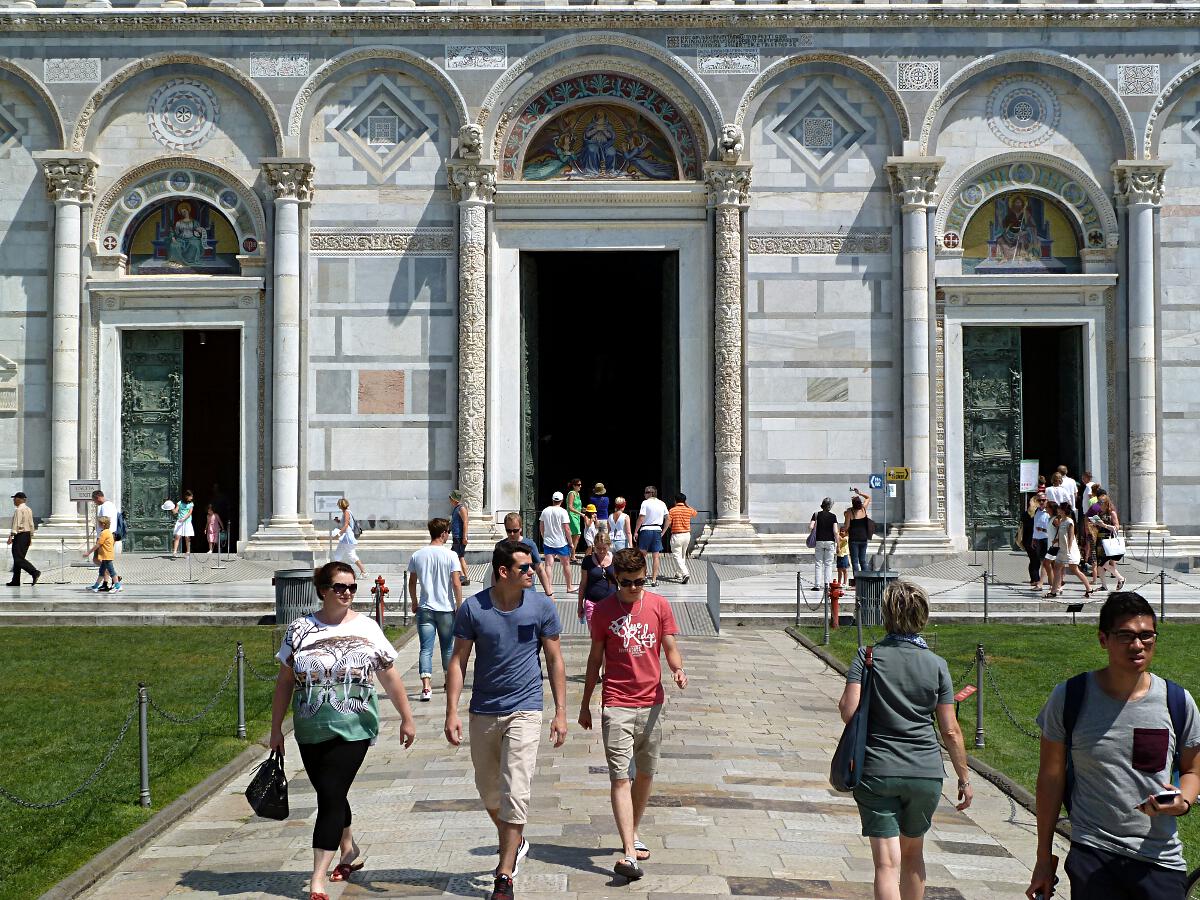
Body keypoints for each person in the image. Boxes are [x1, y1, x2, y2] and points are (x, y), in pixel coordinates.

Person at [1027, 592, 1200, 900]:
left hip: (1159, 859)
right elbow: (1051, 780)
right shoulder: (1070, 697)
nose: (1138, 646)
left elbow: (1192, 771)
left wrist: (1183, 801)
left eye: (1147, 636)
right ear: (1103, 640)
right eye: (1126, 636)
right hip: (1094, 854)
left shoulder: (1178, 702)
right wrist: (1043, 859)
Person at [269, 561, 417, 900]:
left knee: (331, 794)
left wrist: (407, 717)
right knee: (330, 794)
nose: (347, 593)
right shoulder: (300, 629)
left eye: (352, 587)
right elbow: (284, 682)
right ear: (323, 590)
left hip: (355, 724)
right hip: (310, 726)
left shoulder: (367, 627)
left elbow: (389, 676)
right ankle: (349, 848)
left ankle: (317, 877)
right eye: (340, 587)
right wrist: (276, 729)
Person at [444, 540, 568, 900]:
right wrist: (451, 710)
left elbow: (555, 660)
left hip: (526, 708)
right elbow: (458, 661)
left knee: (516, 789)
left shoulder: (542, 605)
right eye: (525, 568)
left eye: (533, 566)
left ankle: (504, 872)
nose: (533, 572)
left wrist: (560, 713)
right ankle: (517, 840)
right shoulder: (473, 609)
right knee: (489, 790)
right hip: (484, 708)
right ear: (503, 572)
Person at [837, 580, 973, 900]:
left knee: (886, 865)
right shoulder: (937, 665)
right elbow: (950, 730)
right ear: (923, 617)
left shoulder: (868, 656)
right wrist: (964, 778)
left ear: (885, 615)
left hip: (877, 768)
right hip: (925, 772)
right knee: (914, 855)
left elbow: (848, 710)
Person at [579, 547, 687, 882]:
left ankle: (633, 832)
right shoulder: (603, 611)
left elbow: (668, 646)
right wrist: (585, 703)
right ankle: (628, 852)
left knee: (645, 773)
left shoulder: (658, 605)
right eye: (627, 583)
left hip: (652, 702)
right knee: (619, 776)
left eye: (639, 582)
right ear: (615, 579)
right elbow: (595, 658)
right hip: (616, 703)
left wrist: (678, 669)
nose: (633, 588)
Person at [407, 518, 463, 702]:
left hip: (425, 607)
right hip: (445, 608)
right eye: (448, 531)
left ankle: (426, 687)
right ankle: (448, 682)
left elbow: (412, 582)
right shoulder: (451, 555)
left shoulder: (418, 555)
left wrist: (414, 601)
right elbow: (456, 582)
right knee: (447, 648)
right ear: (443, 533)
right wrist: (459, 604)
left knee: (426, 649)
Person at [498, 512, 555, 599]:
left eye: (515, 530)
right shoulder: (500, 546)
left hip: (527, 592)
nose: (512, 534)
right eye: (509, 531)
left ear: (521, 528)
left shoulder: (530, 544)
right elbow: (496, 572)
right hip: (507, 593)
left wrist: (549, 593)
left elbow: (540, 569)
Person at [1049, 501, 1091, 598]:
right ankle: (1053, 591)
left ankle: (1089, 588)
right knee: (1057, 568)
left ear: (1063, 510)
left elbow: (1071, 537)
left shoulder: (1069, 521)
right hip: (1062, 549)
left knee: (1075, 569)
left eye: (1059, 508)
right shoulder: (1062, 521)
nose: (1058, 510)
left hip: (1069, 550)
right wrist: (1056, 540)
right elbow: (1062, 535)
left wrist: (1068, 549)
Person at [577, 531, 615, 626]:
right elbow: (583, 584)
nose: (601, 551)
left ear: (609, 546)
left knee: (611, 634)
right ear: (594, 546)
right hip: (592, 603)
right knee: (595, 635)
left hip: (612, 603)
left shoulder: (616, 559)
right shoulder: (587, 561)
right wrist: (579, 605)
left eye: (604, 548)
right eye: (598, 548)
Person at [634, 486, 669, 588]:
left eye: (646, 492)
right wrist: (663, 531)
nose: (644, 494)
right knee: (656, 556)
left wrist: (636, 531)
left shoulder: (645, 503)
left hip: (646, 530)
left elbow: (641, 517)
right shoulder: (662, 503)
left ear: (651, 493)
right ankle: (654, 580)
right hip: (657, 530)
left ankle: (642, 577)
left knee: (642, 555)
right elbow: (668, 518)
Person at [539, 491, 574, 593]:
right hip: (561, 542)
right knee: (566, 564)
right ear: (562, 500)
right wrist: (570, 542)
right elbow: (567, 529)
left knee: (548, 565)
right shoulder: (563, 512)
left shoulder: (545, 511)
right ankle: (569, 587)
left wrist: (544, 536)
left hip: (548, 541)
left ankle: (549, 587)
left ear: (553, 500)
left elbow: (541, 526)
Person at [1093, 494, 1127, 592]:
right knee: (1100, 565)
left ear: (1107, 502)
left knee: (1103, 563)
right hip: (1099, 541)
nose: (1099, 504)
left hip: (1107, 540)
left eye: (1101, 502)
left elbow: (1116, 526)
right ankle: (1104, 586)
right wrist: (1095, 524)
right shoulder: (1099, 513)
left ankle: (1121, 578)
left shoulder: (1111, 513)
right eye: (1098, 502)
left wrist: (1105, 525)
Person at [6, 491, 38, 587]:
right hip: (27, 535)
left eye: (14, 499)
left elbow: (16, 523)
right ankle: (15, 580)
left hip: (20, 535)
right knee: (19, 558)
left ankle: (34, 572)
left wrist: (11, 536)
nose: (13, 501)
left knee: (18, 558)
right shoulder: (28, 509)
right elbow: (31, 524)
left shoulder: (19, 510)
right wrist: (31, 536)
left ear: (19, 499)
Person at [665, 493, 698, 585]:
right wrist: (686, 505)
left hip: (677, 535)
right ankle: (678, 573)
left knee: (676, 555)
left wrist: (670, 527)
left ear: (675, 500)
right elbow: (695, 513)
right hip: (686, 535)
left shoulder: (672, 510)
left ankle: (685, 573)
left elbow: (669, 523)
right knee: (682, 555)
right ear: (685, 501)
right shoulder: (688, 510)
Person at [91, 489, 120, 590]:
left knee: (98, 559)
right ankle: (105, 583)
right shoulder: (110, 504)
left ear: (97, 497)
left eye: (94, 500)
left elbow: (106, 520)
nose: (94, 502)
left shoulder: (105, 506)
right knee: (103, 561)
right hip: (108, 535)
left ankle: (114, 577)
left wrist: (102, 536)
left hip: (105, 536)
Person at [84, 515, 120, 592]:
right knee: (102, 571)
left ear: (103, 524)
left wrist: (88, 552)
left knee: (111, 571)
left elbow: (98, 544)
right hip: (105, 556)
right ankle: (96, 586)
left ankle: (118, 586)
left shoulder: (104, 533)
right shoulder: (108, 532)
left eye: (99, 523)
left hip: (107, 556)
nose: (98, 525)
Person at [844, 488, 873, 584]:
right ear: (860, 503)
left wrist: (843, 529)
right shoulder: (863, 509)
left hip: (854, 539)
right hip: (864, 538)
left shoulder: (850, 512)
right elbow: (868, 497)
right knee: (863, 560)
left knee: (855, 561)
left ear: (853, 504)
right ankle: (866, 579)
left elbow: (847, 526)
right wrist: (859, 493)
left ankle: (857, 580)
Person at [809, 498, 839, 590]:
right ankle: (827, 585)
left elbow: (810, 526)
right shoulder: (833, 516)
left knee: (818, 563)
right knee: (828, 564)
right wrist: (838, 544)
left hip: (819, 541)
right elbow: (835, 531)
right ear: (830, 506)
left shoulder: (816, 515)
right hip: (830, 542)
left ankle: (817, 585)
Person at [333, 498, 367, 578]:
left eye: (338, 504)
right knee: (338, 554)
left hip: (347, 537)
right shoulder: (346, 512)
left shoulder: (346, 512)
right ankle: (334, 571)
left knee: (351, 555)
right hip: (345, 538)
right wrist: (338, 521)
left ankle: (364, 571)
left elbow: (346, 525)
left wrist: (339, 534)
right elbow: (344, 523)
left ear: (341, 505)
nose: (337, 505)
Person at [1029, 493, 1052, 591]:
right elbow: (1035, 527)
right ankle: (1053, 584)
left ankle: (1041, 584)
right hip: (1038, 539)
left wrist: (1042, 530)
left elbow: (1053, 529)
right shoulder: (1036, 511)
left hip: (1047, 539)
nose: (1042, 502)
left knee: (1046, 562)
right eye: (1040, 500)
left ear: (1047, 501)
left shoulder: (1049, 513)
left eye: (1044, 500)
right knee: (1044, 562)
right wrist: (1033, 539)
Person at [449, 490, 471, 586]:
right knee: (457, 557)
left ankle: (464, 577)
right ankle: (463, 576)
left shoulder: (461, 508)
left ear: (454, 499)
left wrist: (464, 537)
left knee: (459, 557)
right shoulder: (456, 508)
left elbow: (465, 522)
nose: (450, 501)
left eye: (451, 498)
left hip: (459, 537)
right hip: (456, 536)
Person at [166, 489, 194, 557]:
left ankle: (188, 552)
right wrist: (171, 506)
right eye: (190, 496)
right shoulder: (180, 503)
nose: (192, 498)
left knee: (187, 537)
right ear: (186, 496)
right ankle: (175, 552)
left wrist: (184, 518)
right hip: (180, 522)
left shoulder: (191, 503)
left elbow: (190, 512)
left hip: (187, 522)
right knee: (177, 536)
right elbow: (175, 511)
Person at [565, 478, 583, 559]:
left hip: (577, 516)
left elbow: (577, 507)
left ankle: (570, 553)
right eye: (578, 485)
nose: (580, 486)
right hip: (571, 516)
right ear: (574, 486)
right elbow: (570, 507)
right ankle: (572, 554)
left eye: (580, 484)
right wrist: (581, 513)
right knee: (577, 534)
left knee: (574, 535)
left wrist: (584, 510)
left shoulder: (578, 494)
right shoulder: (571, 493)